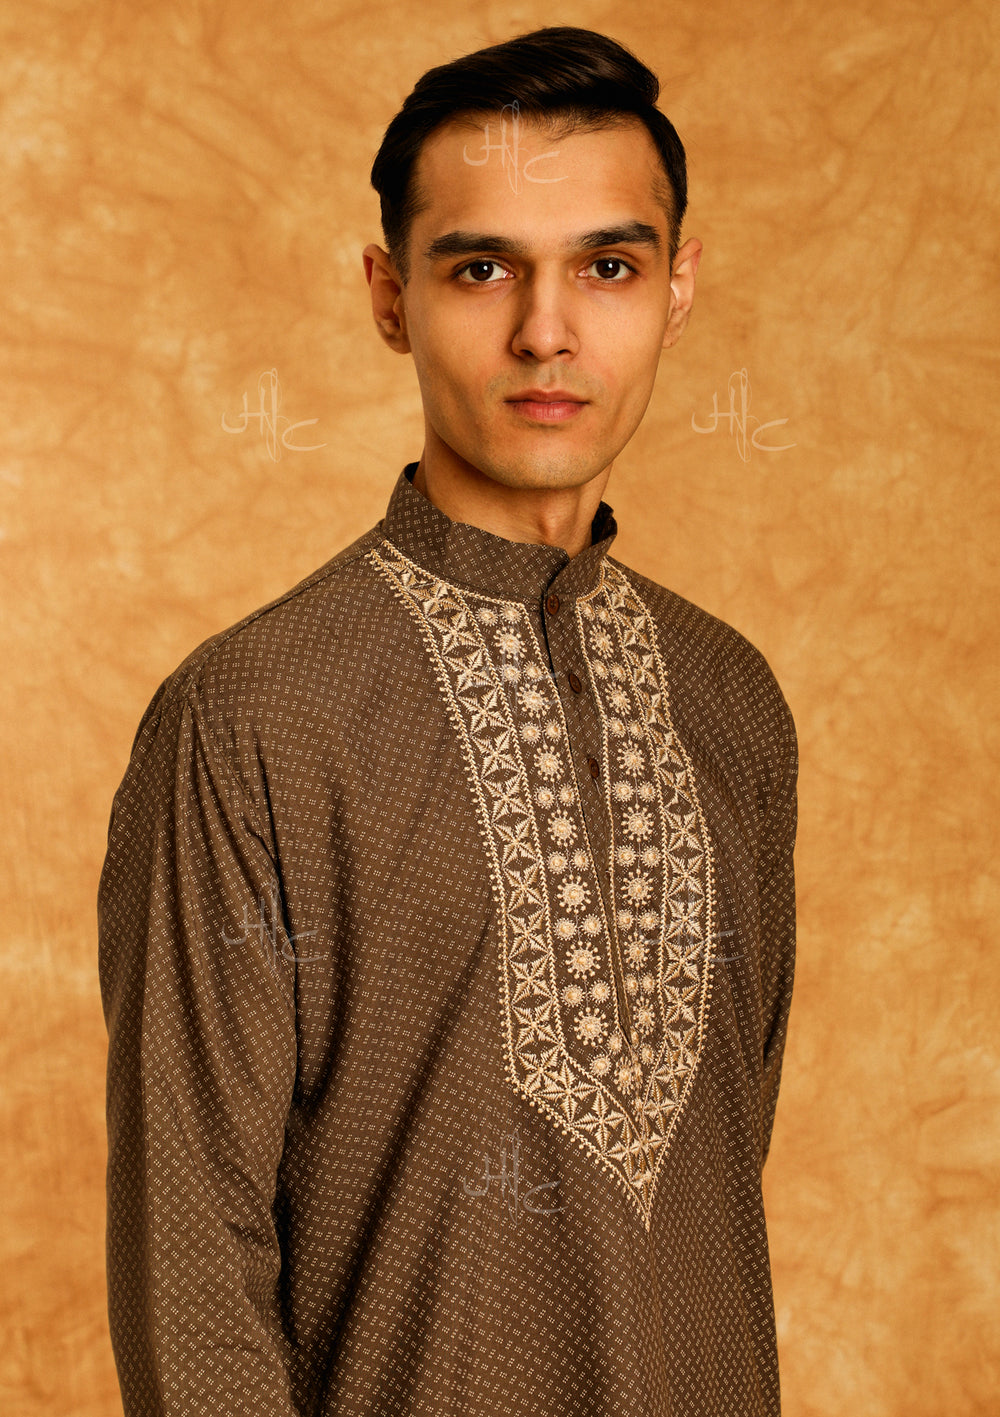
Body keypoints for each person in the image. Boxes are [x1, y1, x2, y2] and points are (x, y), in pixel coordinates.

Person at [98, 24, 797, 1417]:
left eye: (608, 266)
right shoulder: (246, 718)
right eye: (482, 268)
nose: (547, 331)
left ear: (678, 289)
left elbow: (723, 1165)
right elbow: (189, 1258)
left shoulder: (731, 699)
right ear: (390, 296)